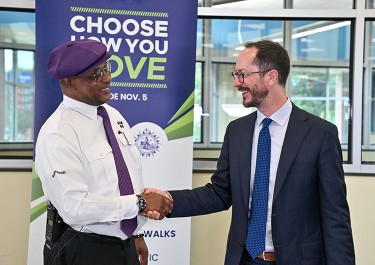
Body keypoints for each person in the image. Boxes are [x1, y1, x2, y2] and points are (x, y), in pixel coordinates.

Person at [145, 40, 355, 265]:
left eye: (242, 75)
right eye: (236, 75)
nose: (236, 83)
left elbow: (335, 216)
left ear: (271, 77)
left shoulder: (320, 134)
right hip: (244, 259)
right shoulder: (237, 131)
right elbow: (219, 193)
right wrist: (168, 200)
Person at [35, 39, 172, 265]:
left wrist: (135, 233)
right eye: (95, 75)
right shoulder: (58, 133)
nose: (107, 78)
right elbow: (75, 207)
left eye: (106, 68)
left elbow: (126, 178)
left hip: (124, 245)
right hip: (84, 248)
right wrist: (139, 204)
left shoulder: (112, 115)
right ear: (68, 81)